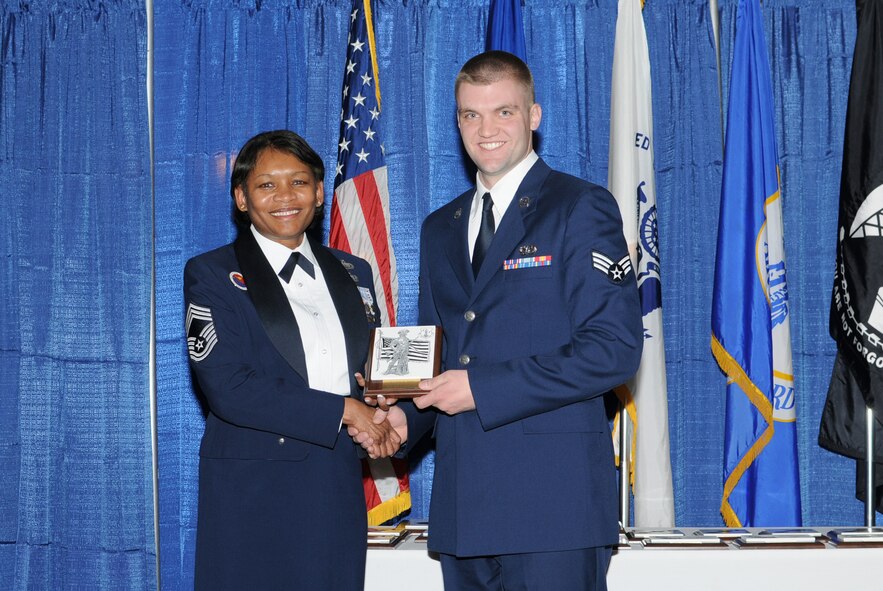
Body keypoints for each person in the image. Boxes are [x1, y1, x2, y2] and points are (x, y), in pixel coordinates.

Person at [375, 51, 643, 590]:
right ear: (456, 121)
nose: (486, 128)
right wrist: (408, 420)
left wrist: (479, 388)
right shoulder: (439, 227)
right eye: (471, 114)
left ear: (534, 115)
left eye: (504, 112)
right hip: (463, 509)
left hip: (553, 508)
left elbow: (613, 350)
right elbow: (440, 353)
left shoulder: (579, 206)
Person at [184, 130, 400, 590]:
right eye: (266, 185)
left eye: (299, 182)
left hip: (335, 483)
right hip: (253, 491)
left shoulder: (353, 271)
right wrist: (346, 410)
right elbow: (230, 387)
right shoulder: (212, 274)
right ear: (241, 198)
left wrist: (388, 412)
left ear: (320, 192)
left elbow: (371, 373)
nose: (285, 197)